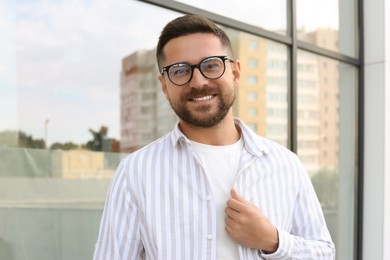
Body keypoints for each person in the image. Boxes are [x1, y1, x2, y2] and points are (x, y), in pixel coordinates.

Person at [93, 14, 335, 260]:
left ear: (235, 73)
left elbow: (324, 253)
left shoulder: (286, 164)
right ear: (165, 86)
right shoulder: (135, 172)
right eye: (180, 70)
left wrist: (273, 240)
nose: (198, 82)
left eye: (211, 65)